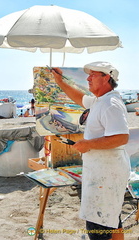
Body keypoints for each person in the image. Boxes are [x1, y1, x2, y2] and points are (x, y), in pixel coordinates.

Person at [51, 62, 130, 240]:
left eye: (93, 75)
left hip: (106, 176)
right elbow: (79, 98)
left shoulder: (110, 104)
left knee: (99, 224)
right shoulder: (99, 101)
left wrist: (88, 144)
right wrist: (60, 82)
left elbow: (121, 138)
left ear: (106, 77)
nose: (88, 78)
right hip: (105, 173)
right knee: (111, 219)